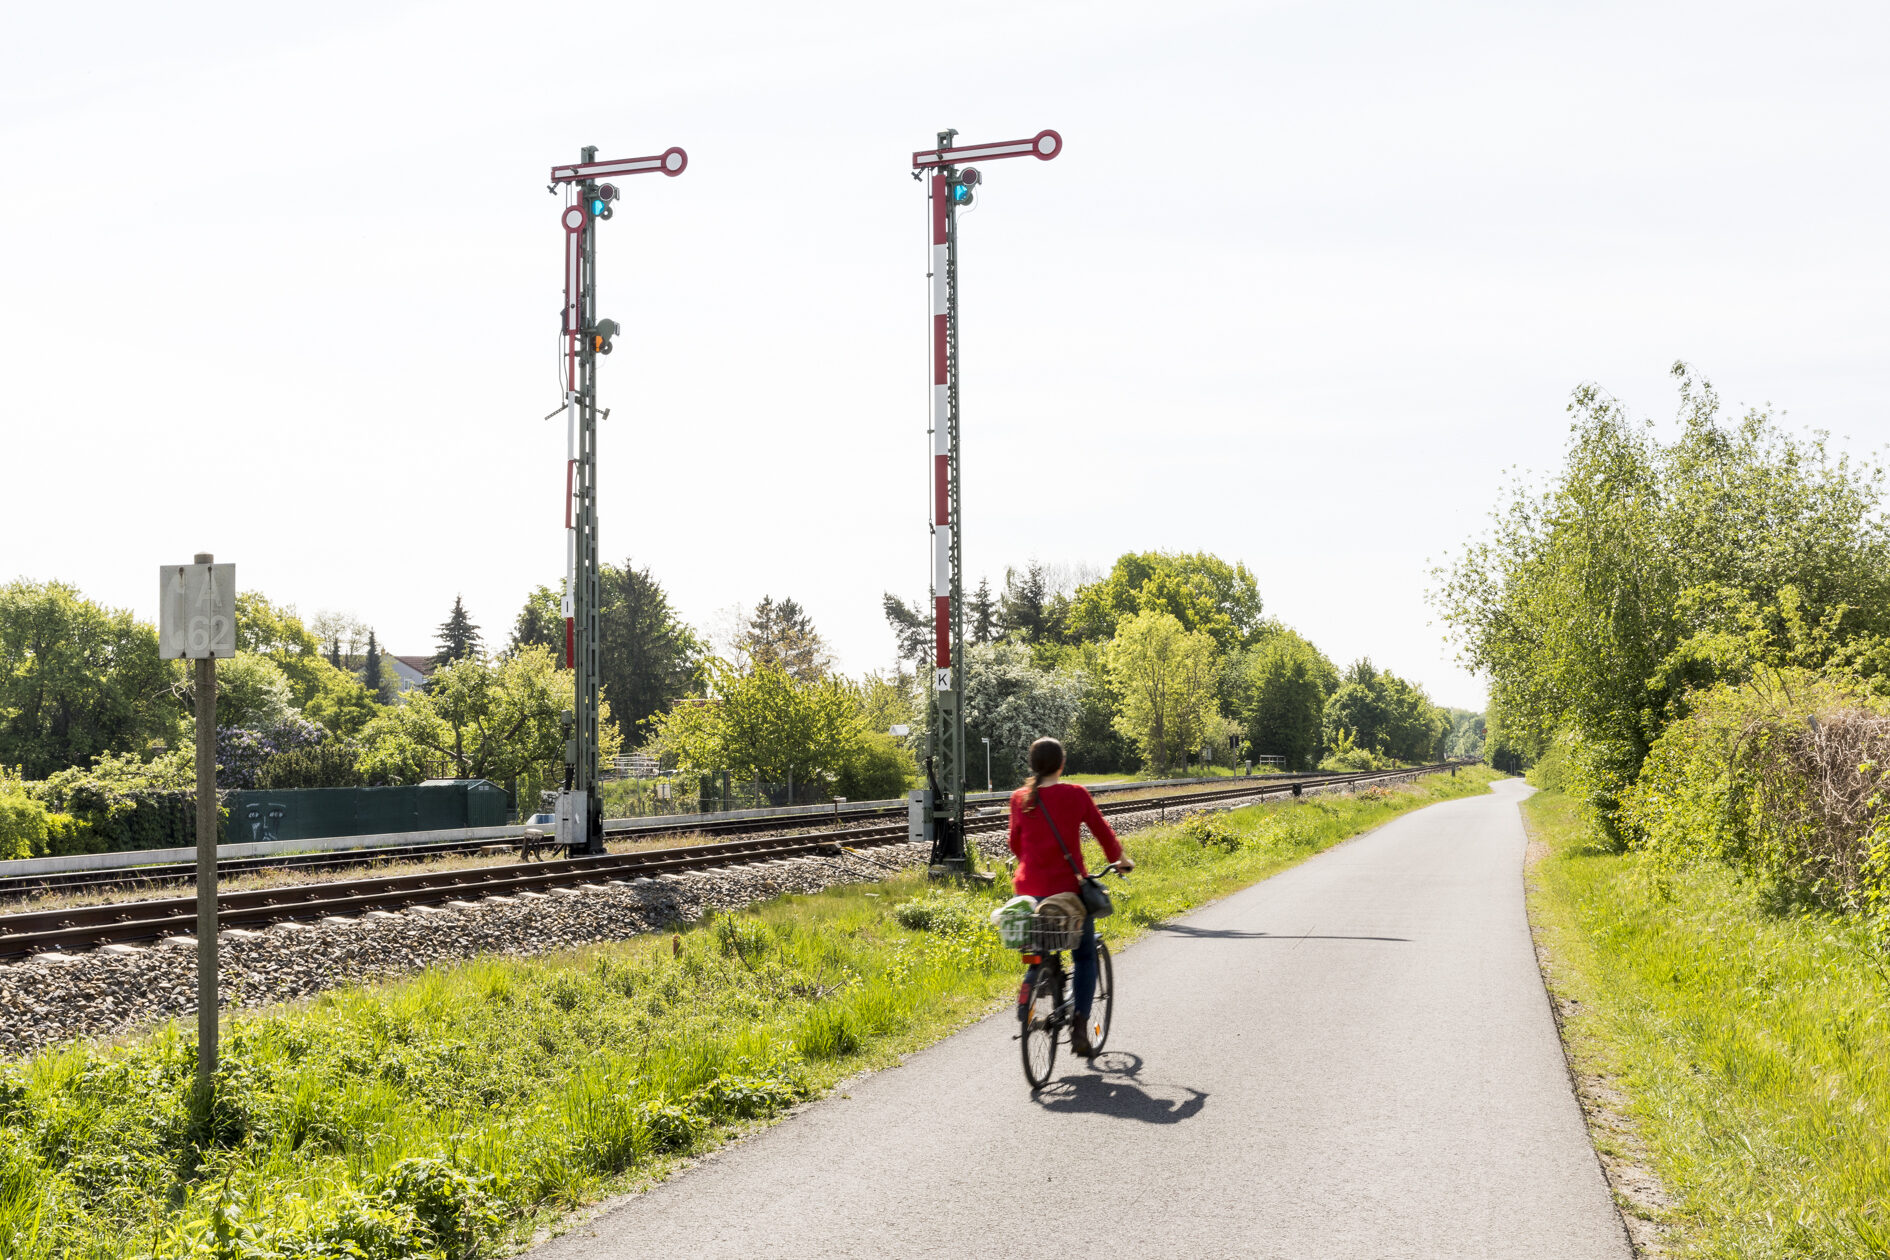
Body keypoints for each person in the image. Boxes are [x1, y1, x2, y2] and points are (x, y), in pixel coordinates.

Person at [1007, 736, 1134, 1056]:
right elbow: (1103, 832)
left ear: (1033, 766)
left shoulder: (1020, 798)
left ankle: (1040, 976)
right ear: (1062, 764)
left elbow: (1015, 845)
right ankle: (1080, 1025)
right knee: (1085, 954)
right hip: (1068, 893)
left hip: (1029, 893)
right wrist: (1120, 860)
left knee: (1040, 943)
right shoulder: (1075, 794)